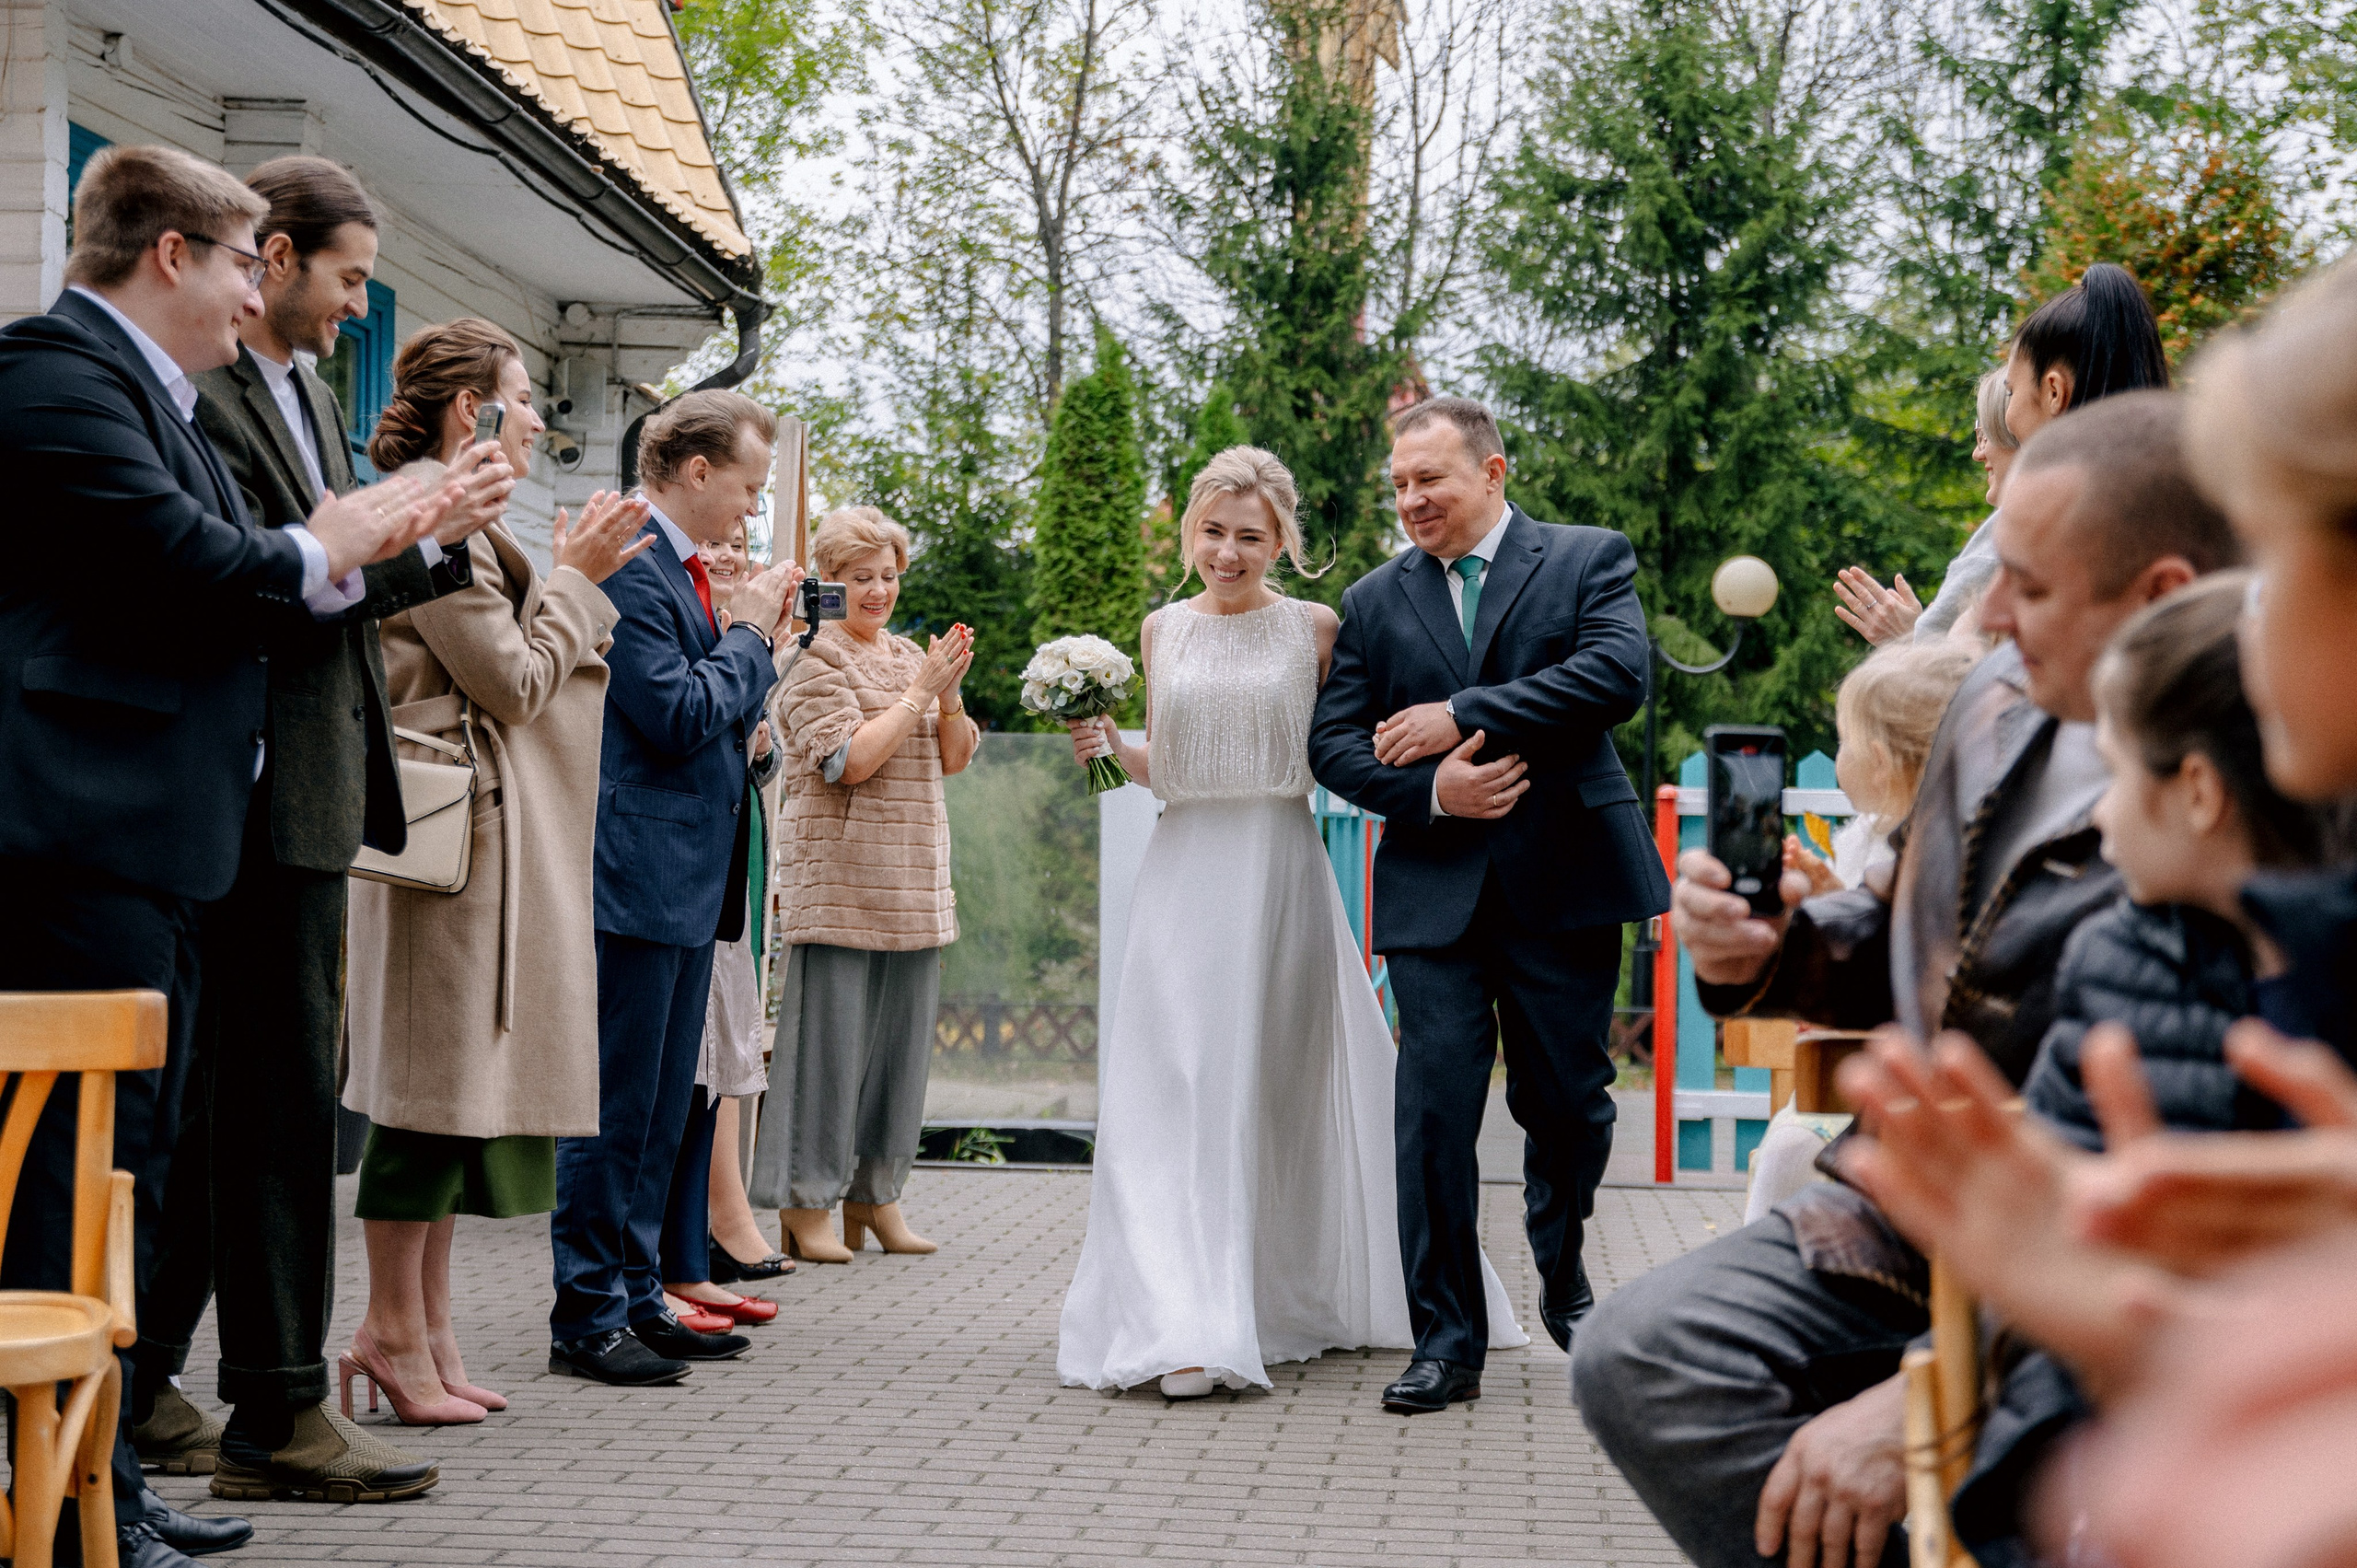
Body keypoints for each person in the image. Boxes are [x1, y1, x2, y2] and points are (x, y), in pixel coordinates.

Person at [1573, 389, 2238, 1568]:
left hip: (2105, 1232)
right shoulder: (1989, 699)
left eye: (2026, 585)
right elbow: (1898, 921)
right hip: (1910, 1206)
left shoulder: (2262, 794)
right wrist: (1772, 945)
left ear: (2162, 599)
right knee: (1638, 1350)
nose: (1980, 614)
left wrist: (1934, 1394)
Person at [0, 144, 452, 1568]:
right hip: (80, 840)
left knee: (129, 1173)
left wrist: (350, 540)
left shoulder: (164, 393)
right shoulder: (53, 372)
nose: (259, 286)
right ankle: (57, 1503)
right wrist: (330, 543)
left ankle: (103, 1482)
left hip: (171, 841)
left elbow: (241, 558)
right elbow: (193, 558)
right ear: (175, 254)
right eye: (245, 256)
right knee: (75, 1179)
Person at [133, 155, 506, 1509]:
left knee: (240, 1103)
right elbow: (285, 583)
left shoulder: (306, 394)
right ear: (272, 256)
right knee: (266, 1108)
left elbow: (338, 576)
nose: (359, 309)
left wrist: (439, 532)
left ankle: (143, 1382)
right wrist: (421, 537)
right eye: (349, 279)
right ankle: (278, 1408)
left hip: (309, 786)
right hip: (245, 788)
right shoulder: (211, 395)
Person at [1057, 446, 1527, 1398]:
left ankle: (1271, 1295)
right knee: (1175, 1092)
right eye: (1213, 531)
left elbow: (1348, 743)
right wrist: (1108, 748)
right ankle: (1181, 1316)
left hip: (1278, 867)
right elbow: (1173, 759)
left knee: (1269, 1085)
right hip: (1184, 868)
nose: (1228, 552)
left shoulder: (1315, 629)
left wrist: (1437, 774)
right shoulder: (1159, 628)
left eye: (1249, 535)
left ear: (1281, 541)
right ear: (1191, 529)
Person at [1306, 396, 1671, 1413]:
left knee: (1565, 1105)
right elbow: (1332, 743)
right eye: (1400, 486)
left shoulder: (1586, 558)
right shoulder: (1374, 601)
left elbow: (1613, 673)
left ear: (1493, 471)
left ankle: (1561, 1263)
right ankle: (1446, 1338)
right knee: (1428, 1116)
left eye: (1431, 480)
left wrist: (1459, 714)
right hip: (1433, 891)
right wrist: (1432, 790)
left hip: (1566, 878)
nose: (1412, 499)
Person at [342, 318, 656, 1423]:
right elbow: (515, 682)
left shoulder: (469, 520)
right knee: (422, 1099)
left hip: (479, 843)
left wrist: (565, 579)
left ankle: (426, 1329)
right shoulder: (429, 515)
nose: (537, 417)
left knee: (449, 1097)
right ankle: (387, 1330)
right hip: (445, 845)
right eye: (524, 397)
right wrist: (575, 579)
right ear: (470, 409)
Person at [549, 389, 802, 1386]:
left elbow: (716, 715)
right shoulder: (634, 566)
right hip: (638, 870)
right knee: (616, 1103)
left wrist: (751, 652)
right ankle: (586, 1311)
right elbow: (672, 712)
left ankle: (639, 1285)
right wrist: (747, 639)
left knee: (663, 1105)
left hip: (693, 874)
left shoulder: (689, 571)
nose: (750, 511)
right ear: (695, 471)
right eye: (745, 488)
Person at [749, 506, 976, 1262]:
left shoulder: (911, 653)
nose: (878, 590)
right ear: (829, 583)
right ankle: (805, 1202)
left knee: (898, 1059)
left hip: (913, 883)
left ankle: (875, 1199)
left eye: (887, 575)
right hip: (842, 887)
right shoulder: (812, 659)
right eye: (859, 578)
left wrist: (946, 695)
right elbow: (847, 760)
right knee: (827, 1057)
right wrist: (918, 693)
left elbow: (955, 756)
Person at [1745, 636, 1982, 1223]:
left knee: (1787, 1149)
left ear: (1878, 759)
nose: (1836, 754)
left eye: (1844, 741)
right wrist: (1828, 897)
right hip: (1881, 1068)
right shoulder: (1865, 838)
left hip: (1896, 1080)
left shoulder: (1931, 851)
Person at [660, 516, 788, 1327]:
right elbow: (689, 717)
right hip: (678, 862)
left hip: (732, 863)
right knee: (680, 1067)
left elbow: (760, 755)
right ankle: (671, 1260)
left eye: (744, 548)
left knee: (712, 1064)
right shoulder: (702, 620)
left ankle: (685, 1256)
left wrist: (762, 734)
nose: (731, 558)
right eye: (719, 548)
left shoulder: (736, 627)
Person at [1910, 366, 2021, 644]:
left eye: (1985, 434)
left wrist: (1913, 635)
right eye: (1978, 434)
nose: (1977, 453)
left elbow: (1940, 665)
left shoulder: (2011, 533)